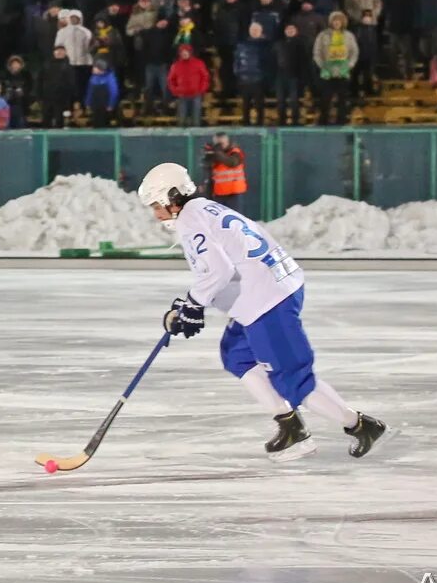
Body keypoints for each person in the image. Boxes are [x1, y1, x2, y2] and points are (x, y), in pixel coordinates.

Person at [137, 163, 387, 462]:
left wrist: (194, 304)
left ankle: (360, 425)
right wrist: (192, 304)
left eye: (156, 205)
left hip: (267, 301)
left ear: (171, 196)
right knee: (237, 355)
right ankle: (289, 425)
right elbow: (227, 261)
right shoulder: (205, 208)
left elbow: (218, 269)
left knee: (293, 380)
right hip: (271, 289)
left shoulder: (190, 219)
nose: (156, 213)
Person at [203, 133, 248, 216]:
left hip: (234, 192)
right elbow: (207, 167)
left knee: (235, 217)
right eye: (218, 144)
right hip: (219, 193)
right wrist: (209, 154)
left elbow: (232, 162)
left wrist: (218, 153)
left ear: (228, 142)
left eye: (222, 143)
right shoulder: (215, 154)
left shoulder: (235, 152)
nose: (220, 146)